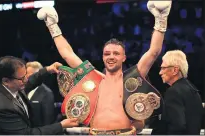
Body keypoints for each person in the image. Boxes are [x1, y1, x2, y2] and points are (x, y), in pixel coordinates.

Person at [37, 0, 172, 134]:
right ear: (102, 57)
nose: (111, 56)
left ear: (124, 57)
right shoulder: (94, 78)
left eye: (116, 53)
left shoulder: (131, 79)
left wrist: (161, 18)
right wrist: (52, 24)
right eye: (107, 53)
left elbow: (153, 52)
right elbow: (68, 54)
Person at [0, 56, 79, 135]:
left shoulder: (11, 85)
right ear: (6, 81)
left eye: (26, 75)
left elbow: (31, 81)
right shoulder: (2, 107)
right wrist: (61, 125)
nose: (26, 80)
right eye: (22, 78)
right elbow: (27, 134)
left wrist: (48, 69)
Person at [152, 50, 203, 135]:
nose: (160, 72)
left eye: (163, 68)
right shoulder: (192, 89)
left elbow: (177, 126)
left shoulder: (173, 92)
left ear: (175, 70)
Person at [26, 61, 56, 127]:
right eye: (26, 73)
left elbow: (48, 121)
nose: (27, 76)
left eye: (31, 74)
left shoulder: (47, 93)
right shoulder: (21, 89)